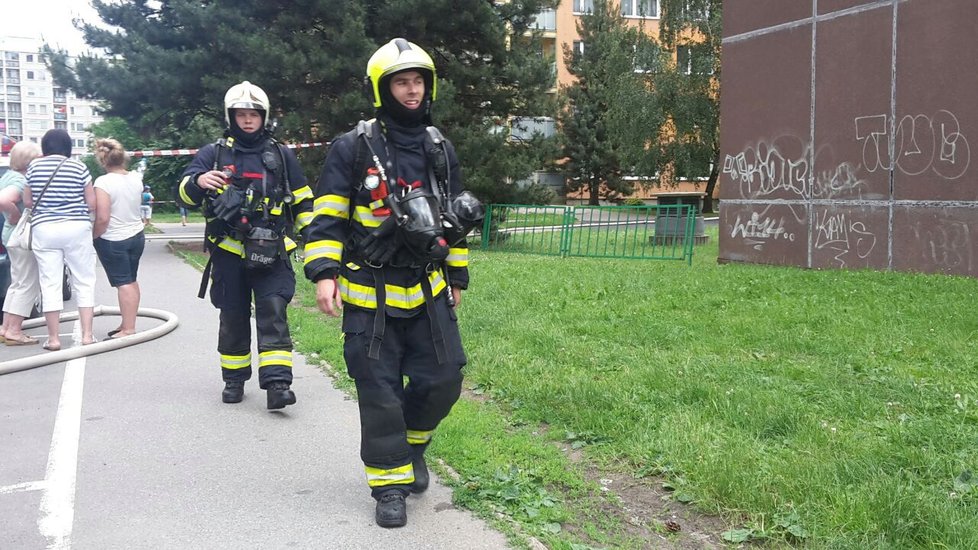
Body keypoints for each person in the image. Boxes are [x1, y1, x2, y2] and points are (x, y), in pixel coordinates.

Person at [304, 38, 483, 528]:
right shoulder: (354, 146)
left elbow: (454, 219)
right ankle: (389, 487)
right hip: (370, 293)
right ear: (384, 90)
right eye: (401, 82)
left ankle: (413, 447)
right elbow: (329, 216)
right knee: (379, 390)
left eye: (418, 81)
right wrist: (323, 272)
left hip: (427, 290)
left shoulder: (439, 147)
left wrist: (457, 272)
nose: (412, 90)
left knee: (444, 381)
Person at [175, 81, 313, 409]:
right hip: (229, 252)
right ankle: (234, 379)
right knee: (233, 316)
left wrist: (316, 240)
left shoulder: (281, 155)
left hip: (272, 251)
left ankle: (278, 384)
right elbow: (183, 191)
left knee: (274, 313)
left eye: (254, 114)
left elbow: (304, 200)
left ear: (263, 117)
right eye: (241, 114)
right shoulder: (214, 153)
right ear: (231, 116)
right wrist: (197, 181)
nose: (248, 120)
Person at [25, 129, 98, 350]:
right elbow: (92, 203)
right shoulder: (78, 167)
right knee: (84, 280)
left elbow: (28, 201)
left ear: (45, 147)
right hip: (76, 228)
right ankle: (87, 335)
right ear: (68, 147)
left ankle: (54, 339)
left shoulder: (34, 167)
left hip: (44, 229)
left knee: (50, 283)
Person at [92, 138, 145, 339]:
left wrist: (94, 235)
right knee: (131, 280)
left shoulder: (103, 182)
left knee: (123, 283)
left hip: (113, 238)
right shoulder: (135, 178)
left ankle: (128, 329)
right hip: (136, 234)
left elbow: (103, 217)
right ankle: (127, 322)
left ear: (103, 161)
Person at [0, 141, 44, 345]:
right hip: (21, 237)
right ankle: (15, 330)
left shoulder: (8, 175)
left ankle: (6, 326)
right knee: (28, 283)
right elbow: (3, 200)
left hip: (10, 237)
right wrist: (16, 215)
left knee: (17, 283)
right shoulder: (20, 180)